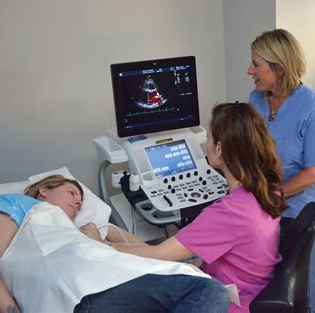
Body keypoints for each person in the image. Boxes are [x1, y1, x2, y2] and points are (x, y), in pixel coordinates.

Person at [90, 102, 287, 313]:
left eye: (209, 139)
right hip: (256, 288)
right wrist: (110, 232)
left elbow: (159, 254)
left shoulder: (229, 212)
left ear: (219, 149)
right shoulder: (266, 189)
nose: (207, 145)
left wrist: (102, 246)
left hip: (232, 302)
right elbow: (162, 252)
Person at [0, 174, 229, 313]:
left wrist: (98, 238)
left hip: (103, 288)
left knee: (209, 290)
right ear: (44, 190)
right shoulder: (21, 206)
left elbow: (144, 251)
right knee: (208, 291)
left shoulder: (75, 232)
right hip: (82, 291)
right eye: (72, 193)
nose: (78, 203)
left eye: (81, 201)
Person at [247, 28, 315, 312]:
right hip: (262, 203)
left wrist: (272, 194)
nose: (250, 70)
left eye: (256, 65)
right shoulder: (256, 99)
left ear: (280, 69)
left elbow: (313, 172)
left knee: (294, 284)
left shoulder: (313, 110)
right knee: (261, 275)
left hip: (297, 210)